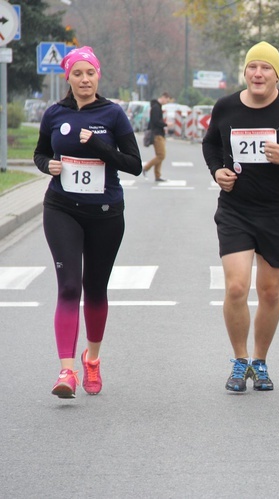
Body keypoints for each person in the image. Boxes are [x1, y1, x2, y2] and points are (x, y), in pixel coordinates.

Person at [202, 41, 279, 393]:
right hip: (235, 209)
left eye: (266, 68)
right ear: (245, 72)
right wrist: (216, 172)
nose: (258, 73)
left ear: (276, 74)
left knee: (269, 292)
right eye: (253, 67)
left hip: (277, 211)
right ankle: (239, 361)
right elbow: (210, 144)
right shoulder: (225, 107)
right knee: (237, 286)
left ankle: (260, 361)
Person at [33, 46, 142, 398]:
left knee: (95, 289)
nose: (84, 79)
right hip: (62, 208)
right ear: (68, 77)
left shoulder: (113, 114)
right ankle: (67, 370)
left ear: (98, 76)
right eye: (77, 74)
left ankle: (91, 359)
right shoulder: (54, 114)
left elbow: (134, 164)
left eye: (90, 73)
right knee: (68, 287)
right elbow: (40, 152)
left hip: (106, 213)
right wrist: (45, 165)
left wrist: (99, 146)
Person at [142, 92, 171, 182]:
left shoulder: (156, 107)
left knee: (159, 155)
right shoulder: (156, 108)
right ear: (163, 97)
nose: (166, 102)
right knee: (161, 155)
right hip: (157, 134)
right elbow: (156, 121)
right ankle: (146, 168)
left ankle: (157, 175)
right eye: (167, 100)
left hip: (158, 133)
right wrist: (166, 124)